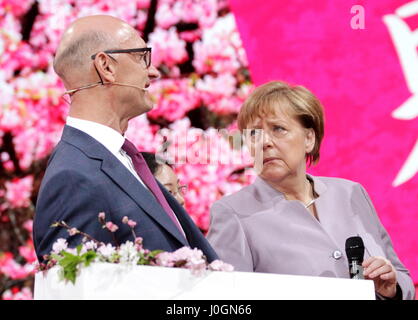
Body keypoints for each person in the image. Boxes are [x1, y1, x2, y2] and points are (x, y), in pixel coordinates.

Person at [34, 15, 217, 264]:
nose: (153, 72)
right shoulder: (73, 177)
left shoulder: (122, 159)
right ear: (106, 67)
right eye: (142, 57)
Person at [207, 80, 415, 299]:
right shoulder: (232, 213)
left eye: (278, 129)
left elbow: (402, 278)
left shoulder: (350, 193)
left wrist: (392, 289)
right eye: (253, 134)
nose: (264, 143)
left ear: (309, 139)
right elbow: (225, 301)